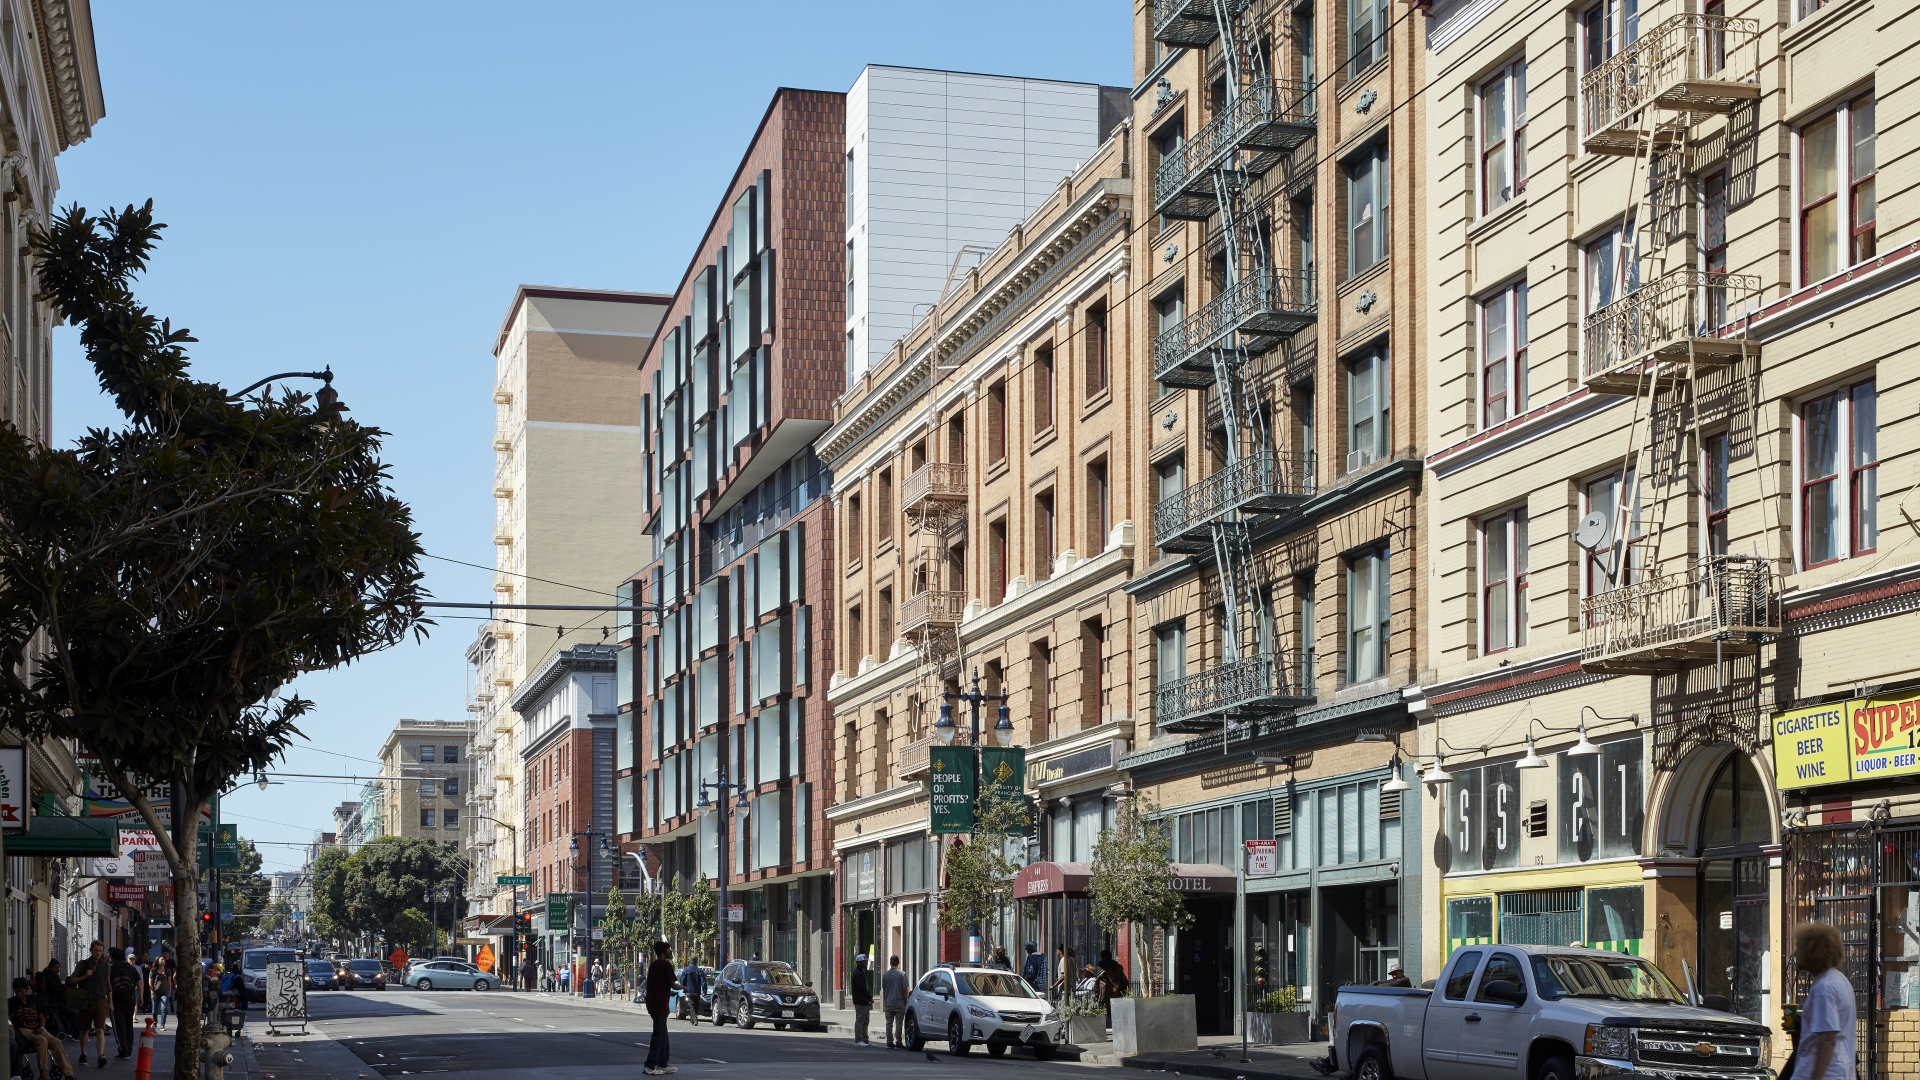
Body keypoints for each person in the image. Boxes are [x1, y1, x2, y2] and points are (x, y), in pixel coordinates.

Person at [1792, 922, 1854, 1080]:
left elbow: (1828, 1037)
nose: (1794, 953)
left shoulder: (1823, 988)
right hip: (1840, 1070)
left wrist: (1816, 1077)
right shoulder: (1839, 980)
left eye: (1798, 948)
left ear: (1812, 951)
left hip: (1825, 1073)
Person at [11, 977, 73, 1080]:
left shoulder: (33, 999)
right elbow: (7, 1019)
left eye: (22, 991)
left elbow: (41, 1016)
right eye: (17, 992)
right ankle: (43, 1074)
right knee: (42, 1041)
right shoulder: (12, 1002)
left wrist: (41, 1027)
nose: (20, 994)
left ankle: (68, 1074)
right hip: (24, 1030)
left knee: (56, 1042)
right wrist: (17, 1014)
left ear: (26, 990)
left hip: (38, 1028)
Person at [68, 940, 111, 1069]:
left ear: (103, 951)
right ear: (91, 950)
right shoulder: (83, 964)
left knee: (99, 1029)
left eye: (100, 950)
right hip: (85, 1002)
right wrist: (85, 977)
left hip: (100, 1001)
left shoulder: (106, 965)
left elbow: (108, 985)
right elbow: (71, 981)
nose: (98, 953)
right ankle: (83, 1053)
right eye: (96, 950)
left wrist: (111, 1003)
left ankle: (101, 1055)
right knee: (84, 1030)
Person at [641, 941, 678, 1076]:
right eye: (669, 949)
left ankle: (662, 1063)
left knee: (663, 1034)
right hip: (659, 1004)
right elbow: (674, 984)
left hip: (653, 1003)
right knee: (658, 1035)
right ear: (663, 952)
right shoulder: (665, 965)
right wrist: (684, 987)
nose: (670, 951)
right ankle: (650, 1065)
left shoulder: (654, 965)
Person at [108, 952, 139, 1059]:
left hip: (117, 1000)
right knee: (129, 1023)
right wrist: (141, 996)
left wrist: (110, 1002)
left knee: (119, 1024)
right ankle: (129, 1048)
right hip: (130, 999)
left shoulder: (111, 969)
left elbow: (109, 987)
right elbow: (139, 982)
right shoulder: (130, 968)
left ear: (113, 958)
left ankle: (123, 1049)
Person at [881, 955, 909, 1049]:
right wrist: (906, 1000)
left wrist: (885, 1001)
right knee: (899, 1023)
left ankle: (889, 1041)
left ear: (890, 963)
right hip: (899, 1003)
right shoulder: (902, 974)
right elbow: (904, 989)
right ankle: (899, 1042)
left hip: (889, 1002)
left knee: (889, 1023)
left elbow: (884, 990)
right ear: (898, 962)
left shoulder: (885, 975)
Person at [849, 953, 873, 1048]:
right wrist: (870, 997)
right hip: (860, 1000)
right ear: (859, 963)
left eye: (865, 961)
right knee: (860, 1020)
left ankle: (865, 1039)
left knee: (866, 1020)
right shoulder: (857, 973)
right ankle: (858, 1039)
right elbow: (863, 988)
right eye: (863, 961)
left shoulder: (863, 972)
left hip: (864, 1000)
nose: (865, 963)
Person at [678, 958, 706, 1025]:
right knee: (695, 1006)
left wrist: (684, 988)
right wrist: (704, 991)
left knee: (692, 1006)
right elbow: (703, 982)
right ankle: (692, 1020)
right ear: (696, 962)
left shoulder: (686, 970)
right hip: (697, 991)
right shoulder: (699, 971)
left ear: (690, 961)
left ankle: (695, 1020)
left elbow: (682, 980)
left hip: (689, 991)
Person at [147, 958, 172, 1031]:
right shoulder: (153, 970)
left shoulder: (167, 970)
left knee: (164, 1008)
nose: (163, 961)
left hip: (164, 992)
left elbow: (169, 982)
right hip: (155, 992)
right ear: (158, 961)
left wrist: (169, 991)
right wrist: (152, 992)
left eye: (164, 960)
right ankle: (154, 1022)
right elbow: (150, 982)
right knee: (154, 1010)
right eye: (161, 960)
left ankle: (162, 1025)